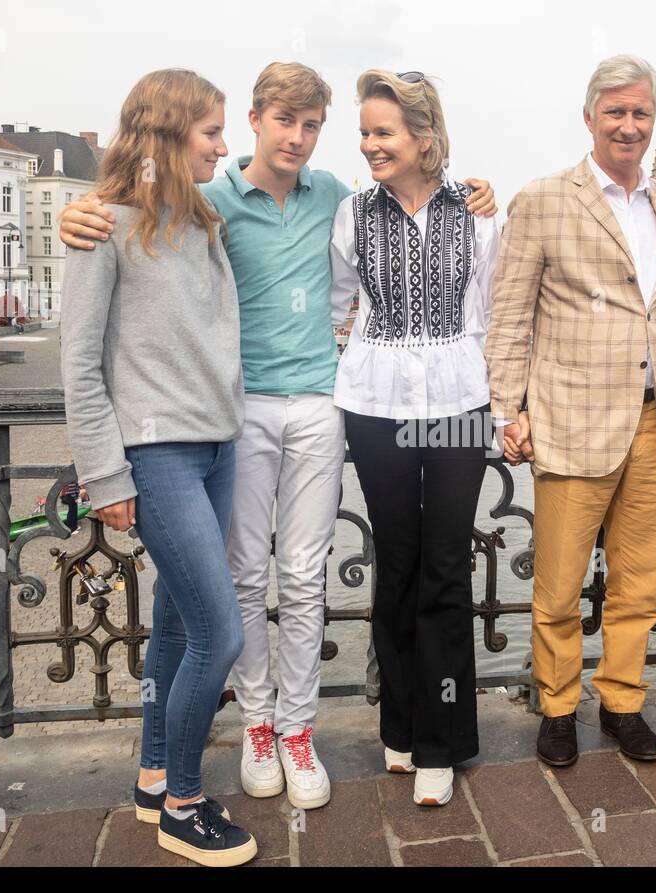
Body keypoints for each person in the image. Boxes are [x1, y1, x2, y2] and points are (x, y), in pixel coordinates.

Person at [59, 63, 496, 812]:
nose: (299, 138)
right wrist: (77, 209)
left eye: (314, 125)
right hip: (239, 411)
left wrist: (477, 191)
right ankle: (256, 724)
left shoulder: (337, 198)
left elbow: (402, 289)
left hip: (325, 405)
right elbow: (134, 204)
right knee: (239, 579)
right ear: (257, 120)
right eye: (282, 122)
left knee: (302, 575)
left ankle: (299, 728)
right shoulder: (209, 200)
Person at [59, 68, 256, 866]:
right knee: (223, 631)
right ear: (171, 134)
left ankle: (150, 778)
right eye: (211, 132)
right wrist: (106, 477)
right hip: (157, 454)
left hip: (218, 447)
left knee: (178, 622)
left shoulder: (203, 222)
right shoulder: (101, 226)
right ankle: (183, 802)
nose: (224, 144)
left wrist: (469, 189)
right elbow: (77, 367)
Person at [487, 55, 656, 768]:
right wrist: (509, 407)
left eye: (640, 114)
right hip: (571, 418)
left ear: (652, 120)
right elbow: (508, 316)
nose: (628, 125)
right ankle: (559, 706)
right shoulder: (542, 199)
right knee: (560, 586)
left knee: (640, 586)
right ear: (590, 117)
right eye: (616, 112)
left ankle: (623, 703)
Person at [329, 69, 499, 807]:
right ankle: (398, 727)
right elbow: (337, 307)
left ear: (424, 138)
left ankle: (444, 740)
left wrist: (509, 405)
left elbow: (491, 316)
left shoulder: (480, 214)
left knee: (445, 567)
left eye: (383, 133)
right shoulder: (351, 214)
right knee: (395, 564)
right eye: (365, 132)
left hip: (462, 402)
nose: (369, 145)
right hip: (375, 406)